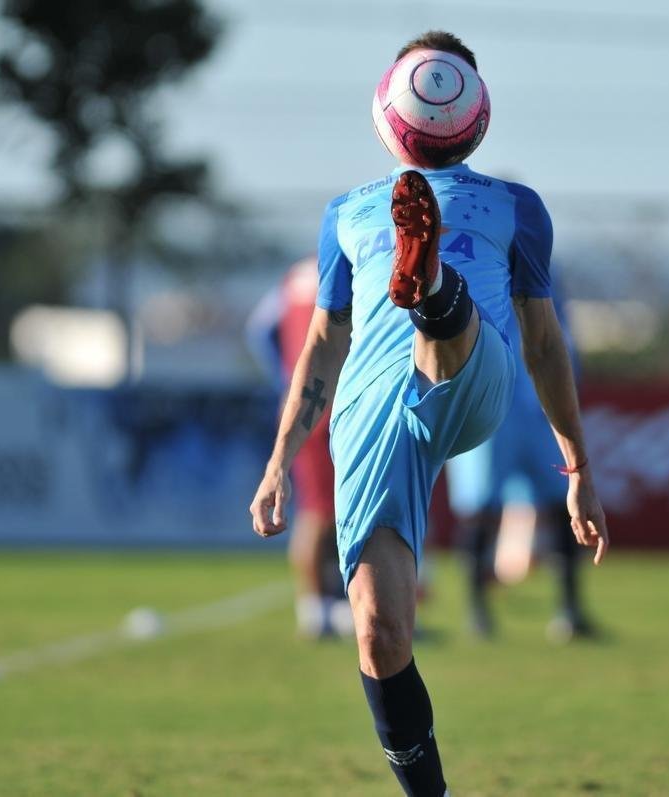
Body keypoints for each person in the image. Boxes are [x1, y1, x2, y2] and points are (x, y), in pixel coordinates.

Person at [250, 30, 607, 797]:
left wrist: (577, 466)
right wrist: (279, 460)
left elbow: (545, 343)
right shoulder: (346, 214)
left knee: (446, 335)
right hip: (372, 411)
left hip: (476, 377)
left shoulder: (516, 207)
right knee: (380, 633)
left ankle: (434, 287)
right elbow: (321, 346)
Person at [444, 291, 598, 642]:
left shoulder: (542, 262)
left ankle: (571, 610)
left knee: (563, 500)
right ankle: (477, 612)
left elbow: (558, 329)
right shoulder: (475, 258)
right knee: (481, 508)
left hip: (540, 406)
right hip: (487, 400)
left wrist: (567, 385)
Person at [245, 257, 351, 638]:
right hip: (330, 404)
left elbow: (259, 331)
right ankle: (315, 608)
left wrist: (285, 378)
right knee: (321, 511)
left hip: (305, 403)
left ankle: (330, 603)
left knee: (330, 510)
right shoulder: (347, 265)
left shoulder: (291, 279)